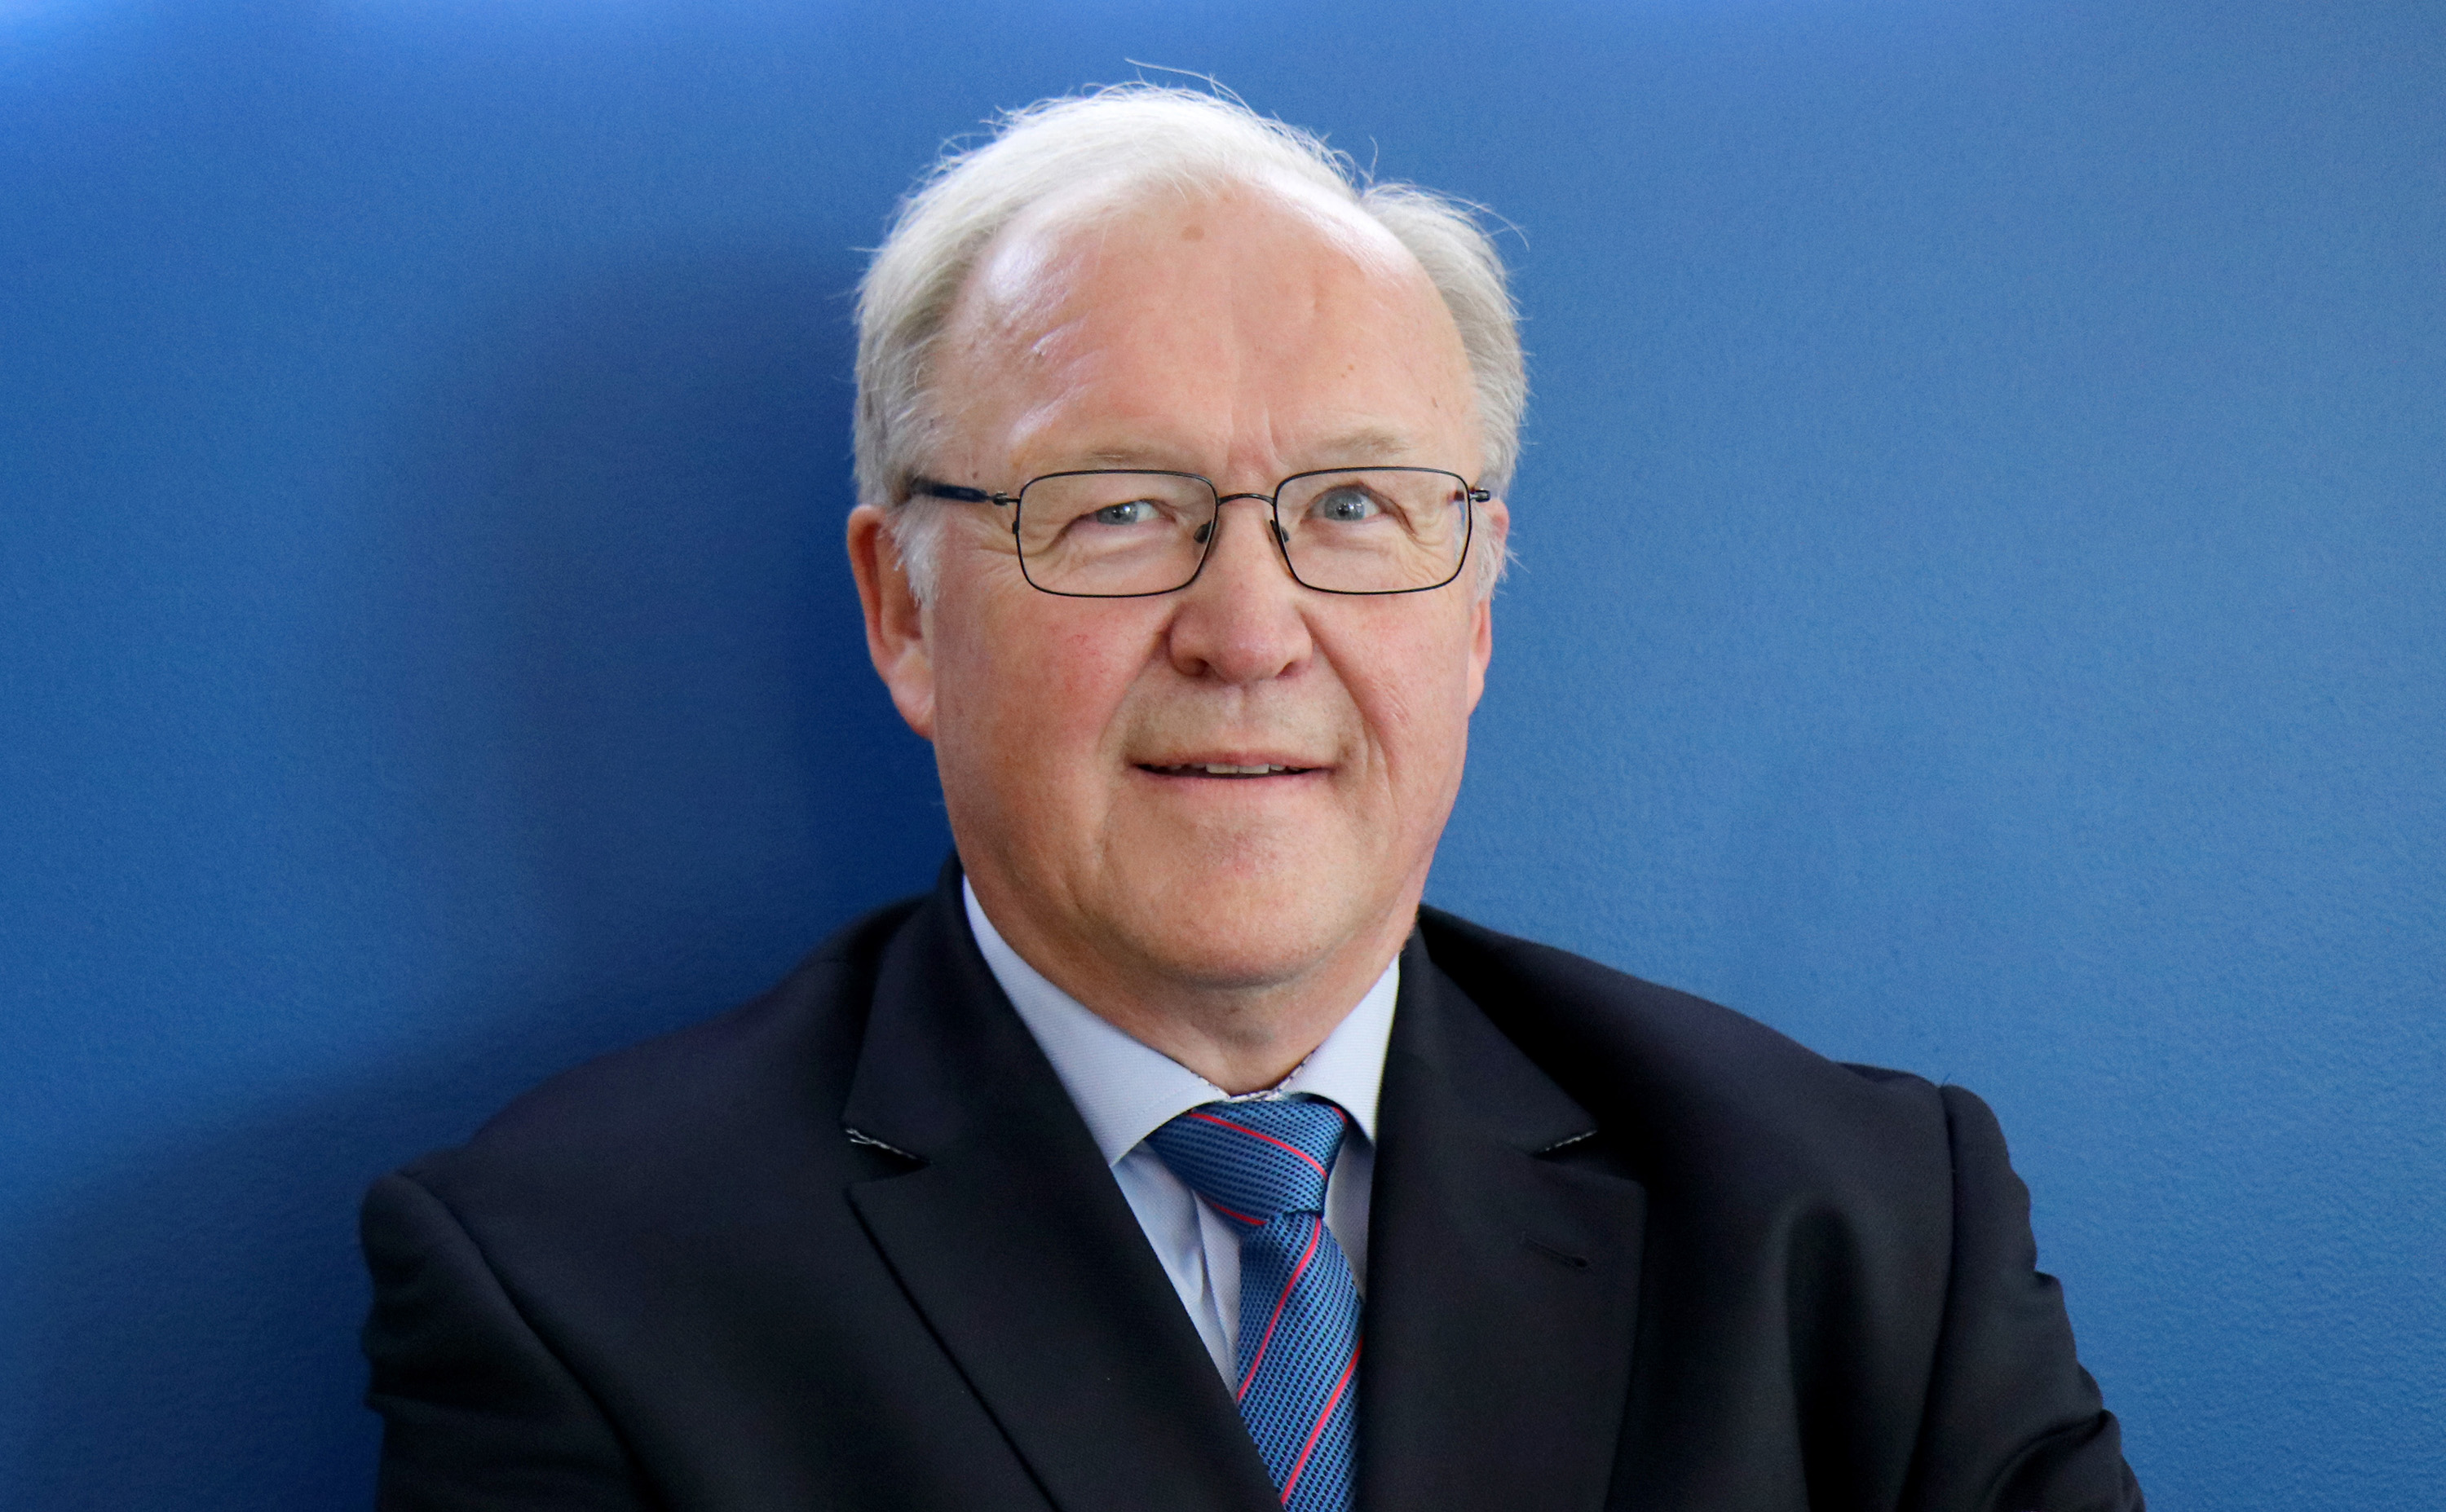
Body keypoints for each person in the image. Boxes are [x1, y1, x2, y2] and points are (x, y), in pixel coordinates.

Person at [359, 86, 2144, 1512]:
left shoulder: (1865, 1225)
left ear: (1475, 610)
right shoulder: (580, 1276)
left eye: (1355, 507)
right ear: (905, 609)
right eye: (1119, 507)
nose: (1249, 631)